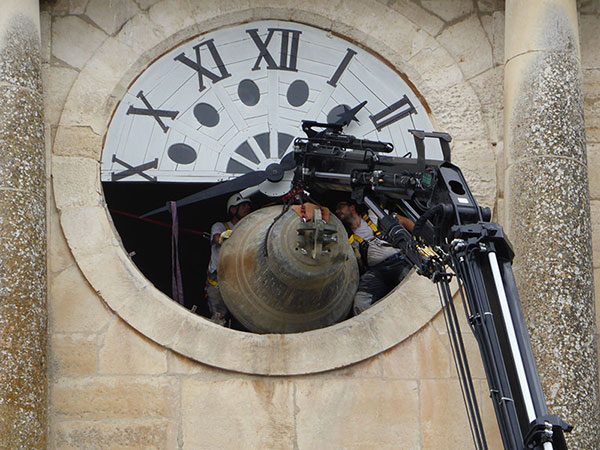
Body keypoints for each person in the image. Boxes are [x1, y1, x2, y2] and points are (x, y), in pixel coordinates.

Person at [335, 200, 414, 315]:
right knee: (360, 303)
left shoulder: (374, 215)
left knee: (415, 281)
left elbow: (405, 222)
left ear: (352, 207)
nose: (337, 211)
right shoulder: (348, 240)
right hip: (377, 272)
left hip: (399, 261)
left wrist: (421, 240)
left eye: (341, 206)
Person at [206, 193, 252, 325]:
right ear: (232, 209)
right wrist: (223, 237)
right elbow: (216, 239)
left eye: (248, 205)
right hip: (218, 281)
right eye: (243, 205)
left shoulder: (249, 229)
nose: (247, 208)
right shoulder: (220, 226)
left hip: (238, 279)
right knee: (218, 318)